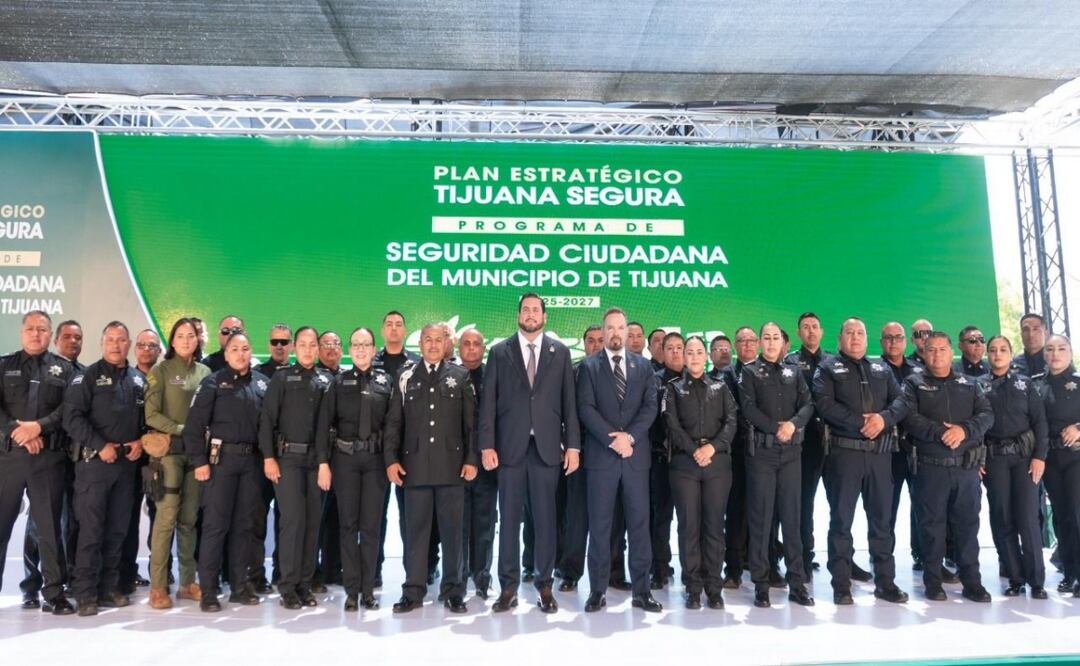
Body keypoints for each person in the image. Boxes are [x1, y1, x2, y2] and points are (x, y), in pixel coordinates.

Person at [480, 294, 580, 613]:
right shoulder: (498, 352)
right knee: (509, 521)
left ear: (545, 317)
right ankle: (508, 587)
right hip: (509, 450)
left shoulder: (560, 352)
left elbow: (569, 404)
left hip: (547, 450)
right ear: (518, 315)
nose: (531, 314)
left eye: (536, 310)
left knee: (546, 521)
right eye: (526, 309)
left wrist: (574, 445)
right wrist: (486, 445)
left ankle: (544, 585)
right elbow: (489, 405)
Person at [813, 318, 910, 605]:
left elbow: (902, 401)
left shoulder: (881, 368)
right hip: (845, 455)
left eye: (860, 333)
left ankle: (886, 583)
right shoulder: (827, 368)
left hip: (880, 455)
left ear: (867, 339)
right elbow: (825, 404)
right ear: (840, 338)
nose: (855, 338)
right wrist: (860, 423)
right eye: (850, 333)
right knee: (841, 521)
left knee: (882, 522)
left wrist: (883, 419)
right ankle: (841, 585)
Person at [384, 323, 478, 614]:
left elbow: (471, 426)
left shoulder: (460, 376)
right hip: (415, 467)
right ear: (420, 343)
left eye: (439, 340)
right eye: (428, 340)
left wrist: (472, 459)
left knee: (453, 533)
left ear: (447, 343)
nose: (434, 345)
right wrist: (391, 459)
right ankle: (413, 590)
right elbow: (394, 423)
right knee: (416, 533)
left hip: (452, 468)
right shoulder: (406, 375)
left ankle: (453, 591)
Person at [577, 307, 662, 613]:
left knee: (639, 525)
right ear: (605, 331)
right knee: (599, 527)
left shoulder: (644, 367)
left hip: (635, 459)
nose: (615, 333)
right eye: (610, 328)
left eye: (620, 328)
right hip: (602, 458)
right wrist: (614, 439)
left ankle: (642, 591)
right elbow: (586, 409)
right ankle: (597, 590)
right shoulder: (588, 367)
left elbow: (650, 408)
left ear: (627, 332)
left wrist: (631, 438)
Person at [901, 331, 994, 602]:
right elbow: (909, 417)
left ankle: (972, 582)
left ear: (951, 351)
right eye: (931, 349)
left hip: (966, 470)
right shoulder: (913, 383)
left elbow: (987, 415)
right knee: (931, 528)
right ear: (924, 352)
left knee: (967, 527)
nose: (936, 354)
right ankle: (933, 582)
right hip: (930, 469)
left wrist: (964, 431)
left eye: (942, 349)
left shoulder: (969, 383)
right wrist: (940, 432)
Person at [64, 321, 146, 616]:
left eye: (121, 339)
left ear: (128, 344)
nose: (115, 344)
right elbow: (72, 419)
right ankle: (85, 593)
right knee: (91, 531)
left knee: (117, 531)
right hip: (94, 466)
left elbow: (145, 421)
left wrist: (141, 441)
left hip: (126, 469)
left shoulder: (139, 380)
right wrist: (101, 445)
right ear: (102, 343)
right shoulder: (86, 377)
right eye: (110, 339)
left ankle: (109, 587)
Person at [184, 332, 269, 612]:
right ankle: (209, 590)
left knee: (244, 528)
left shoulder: (261, 383)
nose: (241, 354)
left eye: (245, 348)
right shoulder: (213, 382)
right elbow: (195, 425)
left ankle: (239, 586)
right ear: (226, 351)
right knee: (215, 527)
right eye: (235, 349)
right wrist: (200, 462)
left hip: (251, 465)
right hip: (220, 464)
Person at [1, 311, 76, 615]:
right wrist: (19, 431)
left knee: (49, 529)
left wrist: (38, 427)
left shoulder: (66, 370)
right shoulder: (4, 365)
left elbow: (69, 409)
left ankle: (54, 594)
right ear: (22, 333)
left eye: (42, 329)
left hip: (48, 459)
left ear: (50, 335)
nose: (36, 334)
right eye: (30, 329)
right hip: (9, 459)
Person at [738, 322, 815, 608]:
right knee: (761, 519)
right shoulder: (748, 372)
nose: (771, 343)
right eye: (766, 338)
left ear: (783, 343)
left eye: (775, 338)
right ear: (759, 343)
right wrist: (775, 428)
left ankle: (797, 582)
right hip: (762, 454)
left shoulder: (793, 372)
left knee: (792, 519)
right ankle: (761, 583)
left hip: (791, 455)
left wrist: (792, 426)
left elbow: (808, 404)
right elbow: (748, 409)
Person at [317, 327, 394, 611]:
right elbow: (324, 425)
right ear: (350, 350)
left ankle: (368, 589)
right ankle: (351, 591)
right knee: (348, 526)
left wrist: (391, 462)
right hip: (345, 461)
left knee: (371, 527)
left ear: (374, 350)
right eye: (356, 344)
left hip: (375, 463)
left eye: (366, 344)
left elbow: (393, 426)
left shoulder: (387, 382)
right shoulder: (338, 382)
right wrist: (324, 464)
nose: (361, 349)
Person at [260, 327, 332, 609]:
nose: (307, 349)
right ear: (293, 348)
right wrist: (268, 457)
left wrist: (326, 463)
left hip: (317, 463)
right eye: (302, 344)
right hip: (287, 460)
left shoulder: (327, 380)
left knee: (313, 523)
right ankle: (288, 585)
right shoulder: (282, 378)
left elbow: (329, 427)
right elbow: (267, 420)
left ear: (317, 348)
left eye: (312, 345)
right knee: (293, 522)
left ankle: (304, 583)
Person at [664, 335, 737, 609]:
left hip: (717, 463)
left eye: (698, 352)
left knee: (714, 527)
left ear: (705, 356)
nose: (693, 357)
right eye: (688, 352)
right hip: (685, 465)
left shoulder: (721, 387)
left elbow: (731, 421)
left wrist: (713, 448)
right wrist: (694, 449)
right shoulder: (673, 389)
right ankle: (693, 588)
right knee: (688, 527)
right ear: (683, 357)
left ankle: (714, 588)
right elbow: (671, 424)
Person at [144, 318, 211, 609]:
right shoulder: (160, 371)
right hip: (169, 454)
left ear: (198, 340)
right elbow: (151, 415)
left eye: (191, 335)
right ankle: (158, 587)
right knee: (166, 519)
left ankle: (187, 582)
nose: (186, 340)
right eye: (180, 336)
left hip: (196, 457)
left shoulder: (206, 373)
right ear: (171, 341)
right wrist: (184, 430)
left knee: (189, 520)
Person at [21, 318, 83, 608]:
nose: (72, 342)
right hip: (35, 454)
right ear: (56, 339)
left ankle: (60, 582)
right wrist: (29, 432)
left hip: (69, 459)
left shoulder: (80, 372)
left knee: (63, 524)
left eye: (77, 337)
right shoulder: (23, 367)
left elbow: (73, 413)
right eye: (67, 336)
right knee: (38, 525)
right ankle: (30, 585)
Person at [981, 335, 1048, 598]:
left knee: (1028, 519)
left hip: (1024, 459)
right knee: (1002, 518)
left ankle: (1037, 581)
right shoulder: (978, 386)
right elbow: (974, 426)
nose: (998, 354)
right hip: (994, 460)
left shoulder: (1025, 384)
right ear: (988, 355)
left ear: (1011, 354)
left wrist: (1040, 456)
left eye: (1003, 350)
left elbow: (1040, 423)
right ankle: (1015, 579)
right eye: (993, 350)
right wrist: (977, 459)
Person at [372, 311, 424, 589]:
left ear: (405, 331)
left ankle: (415, 572)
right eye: (389, 324)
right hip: (374, 449)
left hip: (409, 451)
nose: (393, 329)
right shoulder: (371, 362)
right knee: (375, 514)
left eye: (399, 325)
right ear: (383, 330)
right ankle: (375, 568)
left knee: (411, 515)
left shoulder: (415, 364)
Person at [784, 312, 836, 580]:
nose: (811, 332)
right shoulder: (790, 362)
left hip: (836, 441)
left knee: (840, 504)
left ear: (822, 331)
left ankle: (843, 561)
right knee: (802, 503)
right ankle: (803, 557)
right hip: (806, 442)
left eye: (815, 327)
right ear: (798, 333)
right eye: (805, 327)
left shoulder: (834, 361)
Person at [558, 325, 603, 592]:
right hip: (578, 452)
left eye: (601, 340)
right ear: (583, 344)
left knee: (611, 517)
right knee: (576, 516)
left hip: (609, 453)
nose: (596, 345)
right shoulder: (571, 371)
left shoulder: (616, 371)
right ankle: (570, 572)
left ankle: (613, 571)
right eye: (591, 341)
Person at [878, 322, 926, 571]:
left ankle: (924, 556)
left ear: (905, 340)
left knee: (923, 504)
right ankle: (885, 561)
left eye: (898, 337)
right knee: (887, 507)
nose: (893, 342)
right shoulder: (874, 369)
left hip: (917, 447)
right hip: (888, 448)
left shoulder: (918, 369)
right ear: (881, 341)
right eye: (888, 337)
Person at [118, 328, 161, 593]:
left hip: (158, 459)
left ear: (159, 351)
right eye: (142, 345)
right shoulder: (125, 378)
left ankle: (159, 571)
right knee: (128, 516)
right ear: (136, 348)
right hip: (131, 458)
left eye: (152, 346)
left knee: (159, 515)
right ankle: (127, 571)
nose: (147, 349)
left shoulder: (164, 378)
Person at [1037, 334, 1080, 596]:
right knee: (1062, 517)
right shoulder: (1036, 386)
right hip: (1051, 460)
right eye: (1050, 349)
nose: (1055, 354)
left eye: (1061, 348)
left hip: (1076, 457)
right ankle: (1070, 572)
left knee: (1077, 514)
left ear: (1071, 352)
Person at [252, 323, 292, 591]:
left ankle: (282, 571)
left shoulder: (296, 374)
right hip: (261, 458)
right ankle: (256, 575)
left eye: (284, 341)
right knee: (256, 518)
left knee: (286, 519)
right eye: (275, 341)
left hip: (289, 459)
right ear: (268, 345)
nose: (279, 346)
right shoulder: (256, 375)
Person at [458, 329, 497, 599]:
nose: (471, 349)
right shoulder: (449, 376)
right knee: (457, 524)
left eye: (476, 344)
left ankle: (482, 577)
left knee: (484, 523)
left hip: (487, 465)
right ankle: (457, 578)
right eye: (466, 344)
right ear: (459, 348)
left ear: (484, 349)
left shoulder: (494, 378)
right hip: (455, 464)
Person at [722, 325, 758, 588]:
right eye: (741, 341)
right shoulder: (724, 376)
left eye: (750, 340)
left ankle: (763, 566)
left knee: (765, 512)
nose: (746, 345)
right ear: (735, 346)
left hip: (764, 452)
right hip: (733, 454)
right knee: (735, 513)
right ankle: (733, 569)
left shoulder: (767, 371)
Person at [648, 332, 684, 589]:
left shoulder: (694, 377)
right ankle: (659, 568)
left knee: (690, 518)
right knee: (659, 518)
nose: (674, 352)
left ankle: (694, 568)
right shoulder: (654, 380)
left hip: (688, 460)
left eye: (678, 347)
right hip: (659, 459)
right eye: (668, 347)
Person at [313, 329, 343, 590]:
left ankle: (334, 568)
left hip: (343, 458)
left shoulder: (346, 378)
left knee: (337, 516)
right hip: (317, 458)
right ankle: (313, 571)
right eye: (326, 344)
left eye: (336, 344)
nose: (332, 348)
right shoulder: (314, 377)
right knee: (316, 517)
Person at [1013, 313, 1049, 378]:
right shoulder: (1013, 365)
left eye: (1035, 329)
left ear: (1046, 333)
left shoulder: (1054, 361)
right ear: (1021, 334)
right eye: (1026, 330)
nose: (1031, 334)